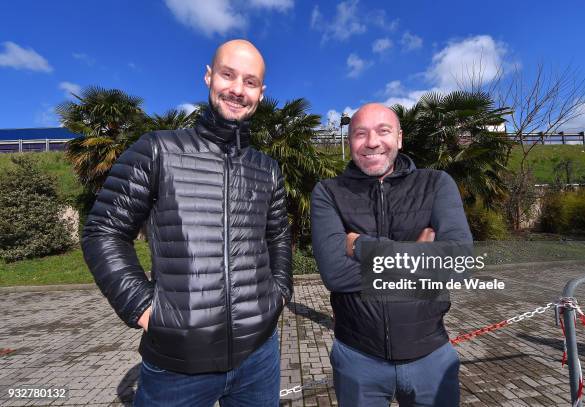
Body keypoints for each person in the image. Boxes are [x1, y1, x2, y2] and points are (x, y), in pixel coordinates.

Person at [82, 39, 292, 407]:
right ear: (209, 77)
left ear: (261, 92)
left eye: (250, 81)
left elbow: (277, 237)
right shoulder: (157, 150)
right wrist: (143, 308)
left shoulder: (267, 169)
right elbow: (104, 230)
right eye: (228, 75)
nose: (238, 89)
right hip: (176, 365)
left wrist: (279, 294)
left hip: (259, 356)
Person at [311, 103, 472, 406]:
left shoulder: (436, 184)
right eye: (360, 133)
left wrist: (359, 247)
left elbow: (459, 262)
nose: (372, 142)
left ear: (399, 138)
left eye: (383, 131)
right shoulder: (328, 192)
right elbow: (334, 272)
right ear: (350, 142)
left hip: (431, 357)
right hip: (357, 359)